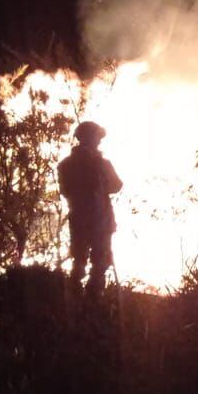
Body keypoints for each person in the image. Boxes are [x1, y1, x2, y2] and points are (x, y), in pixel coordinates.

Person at [57, 121, 123, 299]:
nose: (99, 141)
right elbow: (116, 185)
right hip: (97, 220)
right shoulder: (101, 164)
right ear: (88, 138)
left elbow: (65, 190)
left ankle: (77, 297)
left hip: (83, 220)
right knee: (96, 262)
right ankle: (90, 300)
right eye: (97, 137)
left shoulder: (66, 165)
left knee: (82, 261)